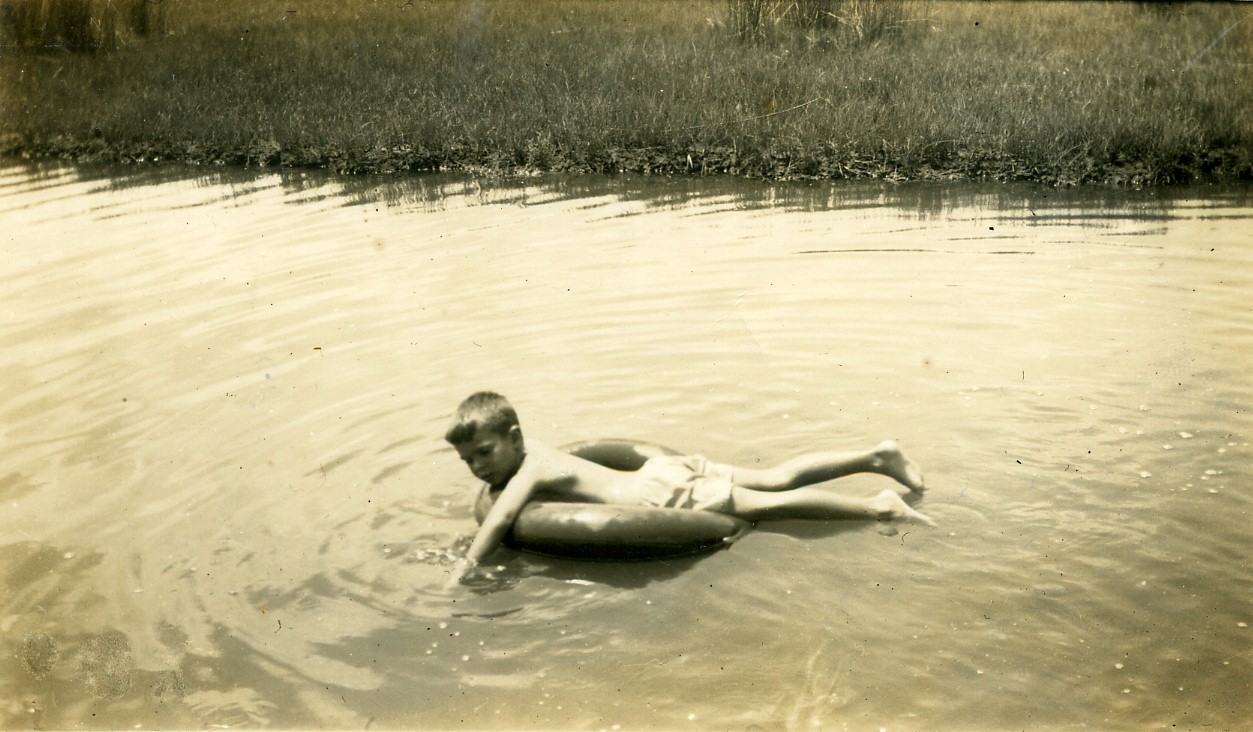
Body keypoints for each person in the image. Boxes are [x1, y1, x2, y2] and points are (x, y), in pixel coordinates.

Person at [446, 391, 932, 578]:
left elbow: (505, 515)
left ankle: (878, 507)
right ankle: (877, 455)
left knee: (773, 504)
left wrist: (467, 563)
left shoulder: (528, 470)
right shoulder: (540, 454)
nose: (478, 469)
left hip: (662, 494)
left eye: (484, 454)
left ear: (514, 438)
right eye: (467, 460)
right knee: (773, 476)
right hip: (661, 477)